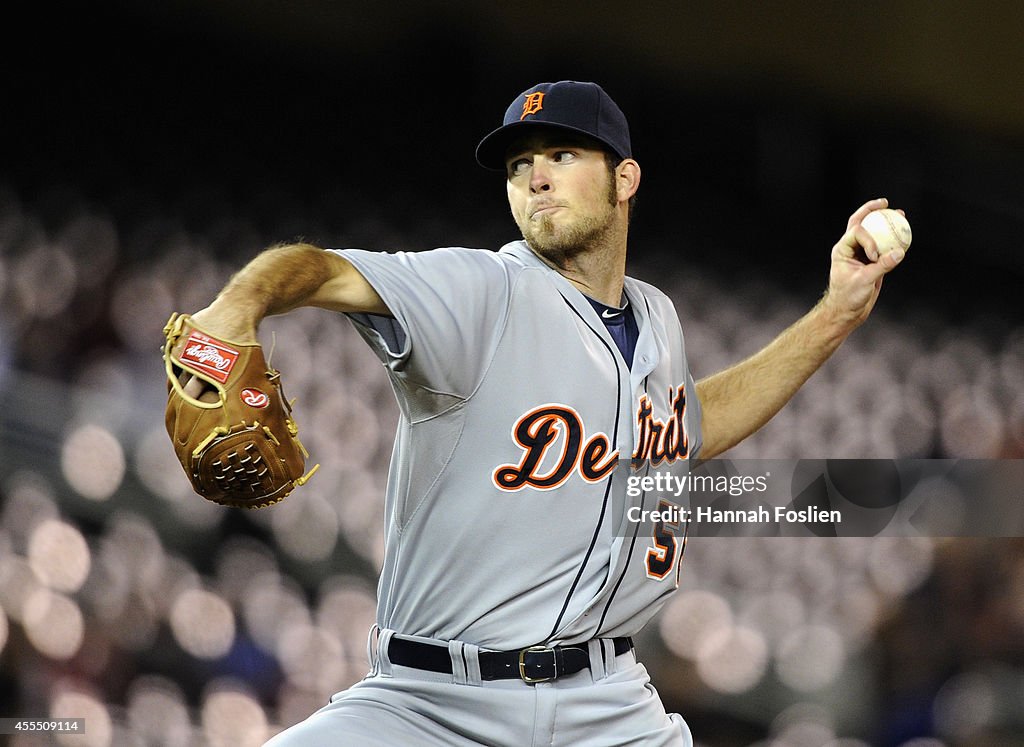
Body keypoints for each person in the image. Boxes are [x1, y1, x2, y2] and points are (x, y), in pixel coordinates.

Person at [188, 80, 905, 746]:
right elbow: (324, 269)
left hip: (608, 705)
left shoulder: (657, 315)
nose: (536, 176)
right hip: (431, 702)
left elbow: (689, 427)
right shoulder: (482, 291)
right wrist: (239, 304)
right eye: (519, 163)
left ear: (625, 179)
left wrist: (838, 312)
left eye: (562, 154)